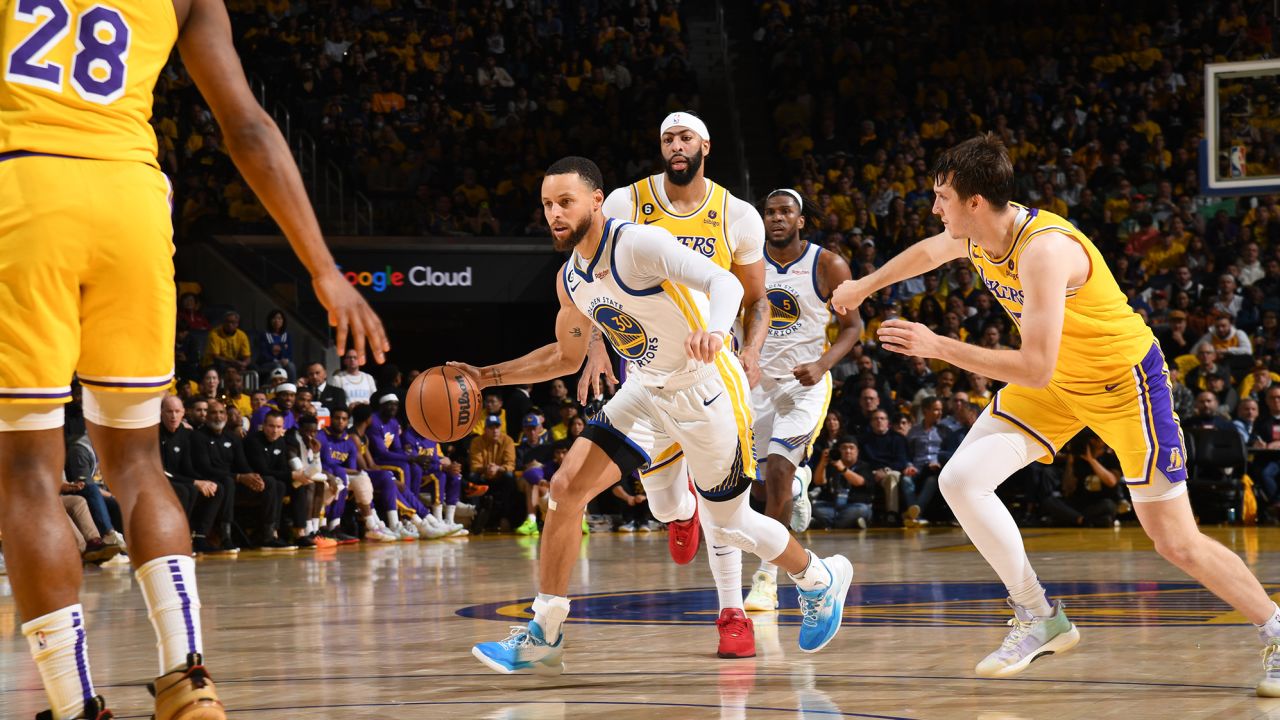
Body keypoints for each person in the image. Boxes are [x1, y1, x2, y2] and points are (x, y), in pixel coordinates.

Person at [831, 134, 1280, 693]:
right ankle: (1038, 613)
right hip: (1058, 387)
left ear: (974, 202)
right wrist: (864, 285)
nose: (934, 208)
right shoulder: (974, 235)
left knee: (1175, 541)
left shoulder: (1044, 249)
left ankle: (1276, 629)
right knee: (962, 480)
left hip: (1125, 387)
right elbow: (928, 252)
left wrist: (938, 345)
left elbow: (1033, 366)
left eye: (942, 197)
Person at [454, 157, 851, 675]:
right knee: (565, 488)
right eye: (547, 203)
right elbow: (566, 356)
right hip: (646, 390)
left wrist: (713, 329)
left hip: (707, 389)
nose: (554, 212)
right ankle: (544, 631)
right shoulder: (571, 278)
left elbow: (726, 284)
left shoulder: (638, 244)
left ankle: (818, 579)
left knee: (729, 523)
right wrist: (486, 376)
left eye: (565, 201)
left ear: (596, 201)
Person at [589, 112, 773, 659]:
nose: (676, 145)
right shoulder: (625, 202)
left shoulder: (736, 215)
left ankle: (731, 612)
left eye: (685, 137)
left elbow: (757, 297)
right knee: (664, 503)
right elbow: (594, 275)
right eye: (668, 138)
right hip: (645, 370)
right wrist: (596, 343)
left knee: (724, 503)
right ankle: (679, 513)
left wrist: (754, 348)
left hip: (709, 372)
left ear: (705, 146)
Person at [741, 189, 861, 619]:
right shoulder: (746, 262)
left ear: (800, 219)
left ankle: (767, 579)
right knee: (758, 485)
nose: (776, 218)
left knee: (776, 472)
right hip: (754, 384)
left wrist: (822, 362)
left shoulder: (828, 264)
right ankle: (798, 485)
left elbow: (853, 325)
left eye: (784, 212)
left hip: (804, 384)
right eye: (769, 212)